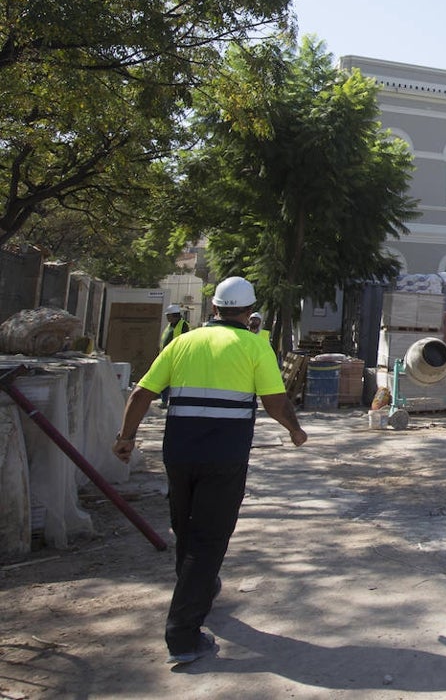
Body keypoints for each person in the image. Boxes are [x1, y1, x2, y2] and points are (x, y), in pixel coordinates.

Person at [112, 276, 307, 666]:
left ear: (214, 308)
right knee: (209, 538)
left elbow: (141, 393)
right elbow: (274, 401)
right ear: (249, 312)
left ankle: (202, 588)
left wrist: (126, 438)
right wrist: (296, 430)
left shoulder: (183, 342)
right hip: (224, 456)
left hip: (179, 452)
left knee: (185, 526)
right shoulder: (254, 346)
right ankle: (182, 635)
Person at [158, 304, 190, 408]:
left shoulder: (183, 325)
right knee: (165, 380)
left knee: (176, 381)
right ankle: (164, 400)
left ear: (174, 315)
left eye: (168, 315)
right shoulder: (170, 326)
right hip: (166, 357)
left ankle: (175, 401)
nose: (167, 318)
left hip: (178, 357)